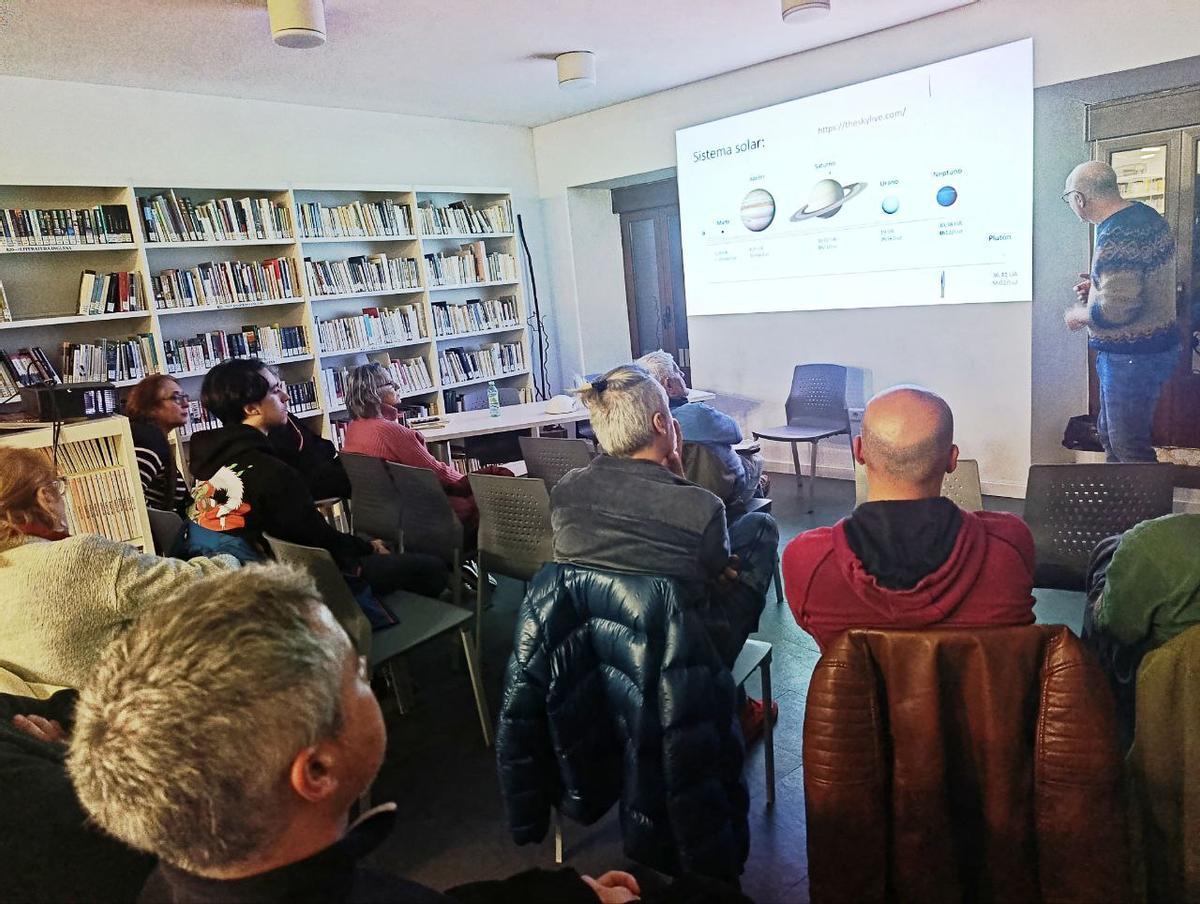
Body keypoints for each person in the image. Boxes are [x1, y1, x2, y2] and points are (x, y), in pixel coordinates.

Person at [63, 562, 676, 904]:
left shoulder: (169, 881)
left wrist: (563, 898)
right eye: (357, 675)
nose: (367, 674)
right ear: (317, 771)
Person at [551, 364, 779, 738]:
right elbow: (716, 571)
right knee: (760, 528)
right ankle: (726, 699)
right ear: (663, 424)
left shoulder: (564, 491)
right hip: (682, 652)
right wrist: (681, 486)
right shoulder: (701, 508)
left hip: (599, 647)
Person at [782, 386, 1035, 652]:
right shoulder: (1010, 544)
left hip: (861, 695)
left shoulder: (807, 561)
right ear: (952, 459)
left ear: (859, 452)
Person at [187, 359, 447, 613]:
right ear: (252, 408)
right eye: (277, 391)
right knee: (432, 569)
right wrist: (369, 547)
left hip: (241, 586)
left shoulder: (210, 464)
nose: (287, 397)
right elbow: (320, 542)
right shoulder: (272, 472)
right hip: (300, 589)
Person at [0, 446, 238, 688]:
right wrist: (230, 554)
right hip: (135, 710)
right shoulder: (77, 558)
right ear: (46, 497)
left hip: (57, 717)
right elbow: (208, 585)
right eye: (59, 486)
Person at [1062, 160, 1179, 462]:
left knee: (1127, 445)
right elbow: (1142, 284)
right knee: (1112, 438)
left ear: (1080, 198)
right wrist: (1098, 288)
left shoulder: (1117, 234)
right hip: (1148, 350)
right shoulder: (1145, 217)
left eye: (1068, 198)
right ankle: (1124, 509)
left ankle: (1148, 511)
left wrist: (1079, 315)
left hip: (1131, 354)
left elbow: (1116, 310)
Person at [339, 363, 509, 532]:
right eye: (391, 383)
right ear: (375, 393)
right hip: (423, 513)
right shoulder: (393, 432)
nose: (398, 386)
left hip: (385, 513)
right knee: (500, 479)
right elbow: (438, 475)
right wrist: (473, 481)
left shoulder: (354, 428)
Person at [1083, 513, 1200, 747]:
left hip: (1163, 703)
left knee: (1107, 556)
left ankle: (1086, 709)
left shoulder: (1152, 543)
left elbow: (1117, 627)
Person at [637, 349, 765, 514]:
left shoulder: (637, 424)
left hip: (665, 498)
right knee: (755, 459)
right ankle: (756, 516)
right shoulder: (697, 414)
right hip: (717, 495)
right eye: (677, 370)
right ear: (669, 385)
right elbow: (736, 433)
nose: (682, 374)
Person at [125, 373, 191, 513]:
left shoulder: (151, 437)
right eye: (175, 398)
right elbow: (131, 496)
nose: (185, 404)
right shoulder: (149, 440)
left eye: (184, 397)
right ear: (151, 407)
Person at [268, 412, 352, 502]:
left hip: (317, 470)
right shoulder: (272, 429)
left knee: (353, 462)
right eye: (276, 397)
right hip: (304, 483)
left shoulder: (287, 418)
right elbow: (311, 453)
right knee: (355, 475)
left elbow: (325, 447)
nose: (286, 398)